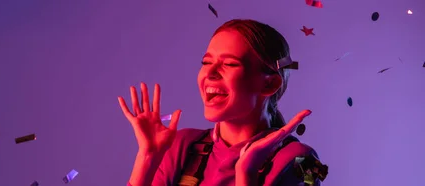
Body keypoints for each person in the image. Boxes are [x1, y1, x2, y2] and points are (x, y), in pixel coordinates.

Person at [117, 19, 326, 186]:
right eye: (206, 62)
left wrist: (247, 173)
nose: (209, 73)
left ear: (269, 84)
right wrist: (148, 158)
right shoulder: (182, 145)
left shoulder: (303, 161)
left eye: (229, 64)